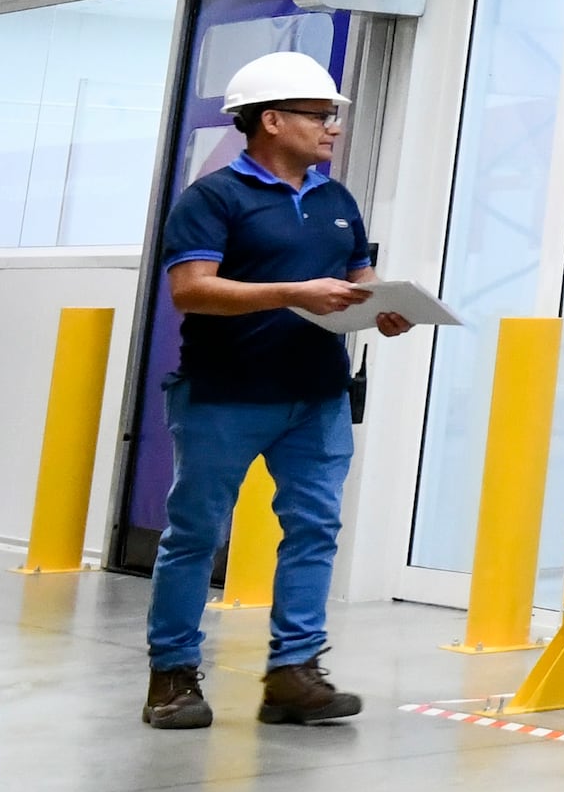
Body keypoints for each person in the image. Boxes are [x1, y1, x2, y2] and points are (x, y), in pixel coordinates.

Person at [141, 50, 412, 730]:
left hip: (316, 395)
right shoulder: (213, 198)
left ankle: (294, 672)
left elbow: (360, 275)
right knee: (196, 534)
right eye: (320, 116)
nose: (332, 129)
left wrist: (385, 303)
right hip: (224, 394)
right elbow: (191, 289)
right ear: (270, 120)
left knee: (315, 530)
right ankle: (171, 675)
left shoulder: (335, 198)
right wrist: (291, 291)